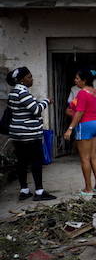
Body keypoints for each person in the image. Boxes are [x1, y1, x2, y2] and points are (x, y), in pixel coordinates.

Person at [6, 67, 56, 201]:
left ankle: (24, 190)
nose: (31, 79)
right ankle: (39, 192)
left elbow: (14, 110)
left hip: (17, 133)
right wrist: (47, 101)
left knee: (21, 162)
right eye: (29, 77)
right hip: (29, 134)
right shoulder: (23, 93)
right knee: (36, 161)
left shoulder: (13, 92)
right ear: (22, 79)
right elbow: (36, 109)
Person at [64, 69, 96, 197]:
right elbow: (74, 108)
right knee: (93, 157)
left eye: (77, 78)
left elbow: (79, 112)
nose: (75, 81)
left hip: (85, 125)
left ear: (84, 80)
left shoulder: (81, 93)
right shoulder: (95, 92)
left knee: (84, 158)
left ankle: (88, 188)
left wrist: (70, 128)